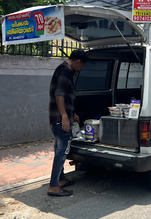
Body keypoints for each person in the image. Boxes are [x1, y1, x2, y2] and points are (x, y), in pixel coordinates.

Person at [47, 49, 89, 197]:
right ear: (78, 61)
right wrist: (65, 116)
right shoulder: (66, 71)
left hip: (58, 117)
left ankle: (60, 179)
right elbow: (59, 94)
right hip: (60, 120)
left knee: (59, 149)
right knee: (62, 151)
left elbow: (65, 95)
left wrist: (72, 113)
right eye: (81, 66)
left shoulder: (62, 68)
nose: (80, 69)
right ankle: (54, 186)